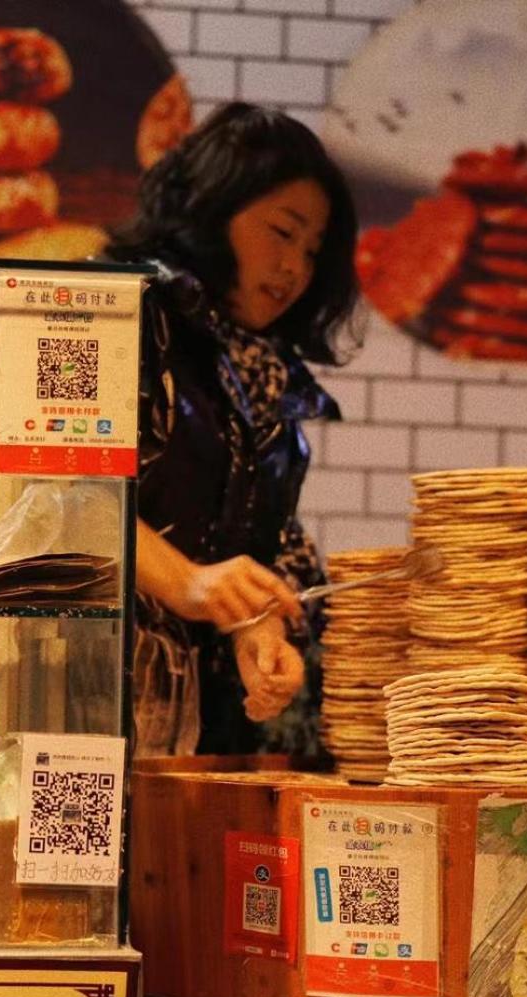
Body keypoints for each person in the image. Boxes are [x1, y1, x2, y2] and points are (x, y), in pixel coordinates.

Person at [106, 101, 359, 756]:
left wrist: (256, 627)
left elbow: (245, 548)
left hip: (175, 730)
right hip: (55, 693)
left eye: (312, 250)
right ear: (213, 209)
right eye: (282, 232)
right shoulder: (106, 311)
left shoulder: (266, 375)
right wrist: (186, 582)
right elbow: (36, 491)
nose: (295, 267)